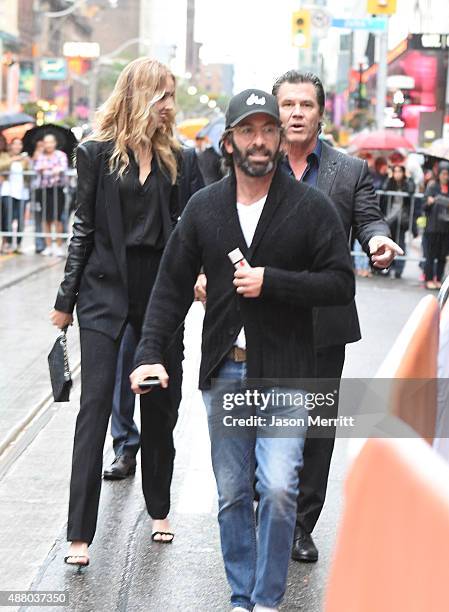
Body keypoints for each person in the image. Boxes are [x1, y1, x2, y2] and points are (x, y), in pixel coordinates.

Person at [130, 89, 355, 612]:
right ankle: (241, 597)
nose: (260, 141)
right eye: (248, 132)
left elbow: (339, 284)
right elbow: (169, 289)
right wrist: (148, 353)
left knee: (278, 490)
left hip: (287, 374)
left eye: (269, 130)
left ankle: (267, 601)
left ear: (280, 137)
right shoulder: (205, 208)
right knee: (233, 494)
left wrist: (272, 282)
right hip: (227, 375)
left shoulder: (309, 206)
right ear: (228, 142)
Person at [50, 57, 185, 567]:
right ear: (140, 95)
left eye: (172, 95)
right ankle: (79, 533)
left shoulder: (179, 158)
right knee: (94, 410)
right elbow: (83, 228)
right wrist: (66, 300)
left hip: (159, 293)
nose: (170, 106)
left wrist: (194, 277)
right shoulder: (95, 153)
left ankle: (159, 508)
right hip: (104, 291)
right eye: (164, 95)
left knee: (158, 404)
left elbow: (185, 230)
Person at [271, 70, 401, 564]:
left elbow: (368, 217)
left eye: (307, 104)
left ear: (322, 113)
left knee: (317, 425)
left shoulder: (349, 171)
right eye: (288, 104)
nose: (297, 113)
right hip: (267, 315)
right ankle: (269, 511)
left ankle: (302, 525)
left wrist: (376, 240)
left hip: (326, 318)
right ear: (276, 111)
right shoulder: (255, 165)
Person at [104, 144, 204, 480]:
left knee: (167, 376)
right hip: (123, 277)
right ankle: (125, 445)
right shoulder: (114, 156)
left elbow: (198, 212)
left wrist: (199, 269)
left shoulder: (181, 157)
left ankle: (158, 444)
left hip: (167, 278)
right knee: (124, 361)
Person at [423, 160, 449, 290]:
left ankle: (438, 278)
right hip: (432, 227)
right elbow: (424, 205)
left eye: (447, 174)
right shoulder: (432, 186)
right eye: (443, 174)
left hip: (447, 228)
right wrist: (430, 202)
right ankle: (428, 279)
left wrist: (446, 201)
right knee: (430, 255)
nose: (445, 177)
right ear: (439, 174)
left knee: (442, 256)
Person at [33, 133, 68, 256]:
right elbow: (37, 168)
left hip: (57, 189)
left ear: (55, 143)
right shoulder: (40, 156)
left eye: (50, 142)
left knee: (57, 218)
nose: (48, 145)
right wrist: (51, 169)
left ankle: (58, 245)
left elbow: (62, 168)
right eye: (46, 142)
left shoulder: (61, 155)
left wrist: (47, 169)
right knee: (45, 219)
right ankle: (48, 245)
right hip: (44, 191)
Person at [381, 165, 415, 279]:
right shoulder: (391, 182)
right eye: (395, 171)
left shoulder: (407, 183)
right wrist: (389, 177)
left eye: (399, 171)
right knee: (388, 243)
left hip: (402, 219)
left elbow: (411, 190)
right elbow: (384, 188)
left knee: (400, 244)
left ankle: (398, 270)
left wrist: (409, 178)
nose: (397, 174)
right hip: (390, 218)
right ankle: (386, 267)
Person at [0, 138, 30, 254]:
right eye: (15, 144)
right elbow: (1, 165)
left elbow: (28, 176)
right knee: (7, 218)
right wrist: (14, 159)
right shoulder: (4, 156)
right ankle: (6, 242)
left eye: (19, 144)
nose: (17, 147)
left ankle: (18, 244)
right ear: (11, 146)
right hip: (8, 192)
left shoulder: (24, 159)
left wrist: (28, 163)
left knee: (20, 220)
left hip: (21, 193)